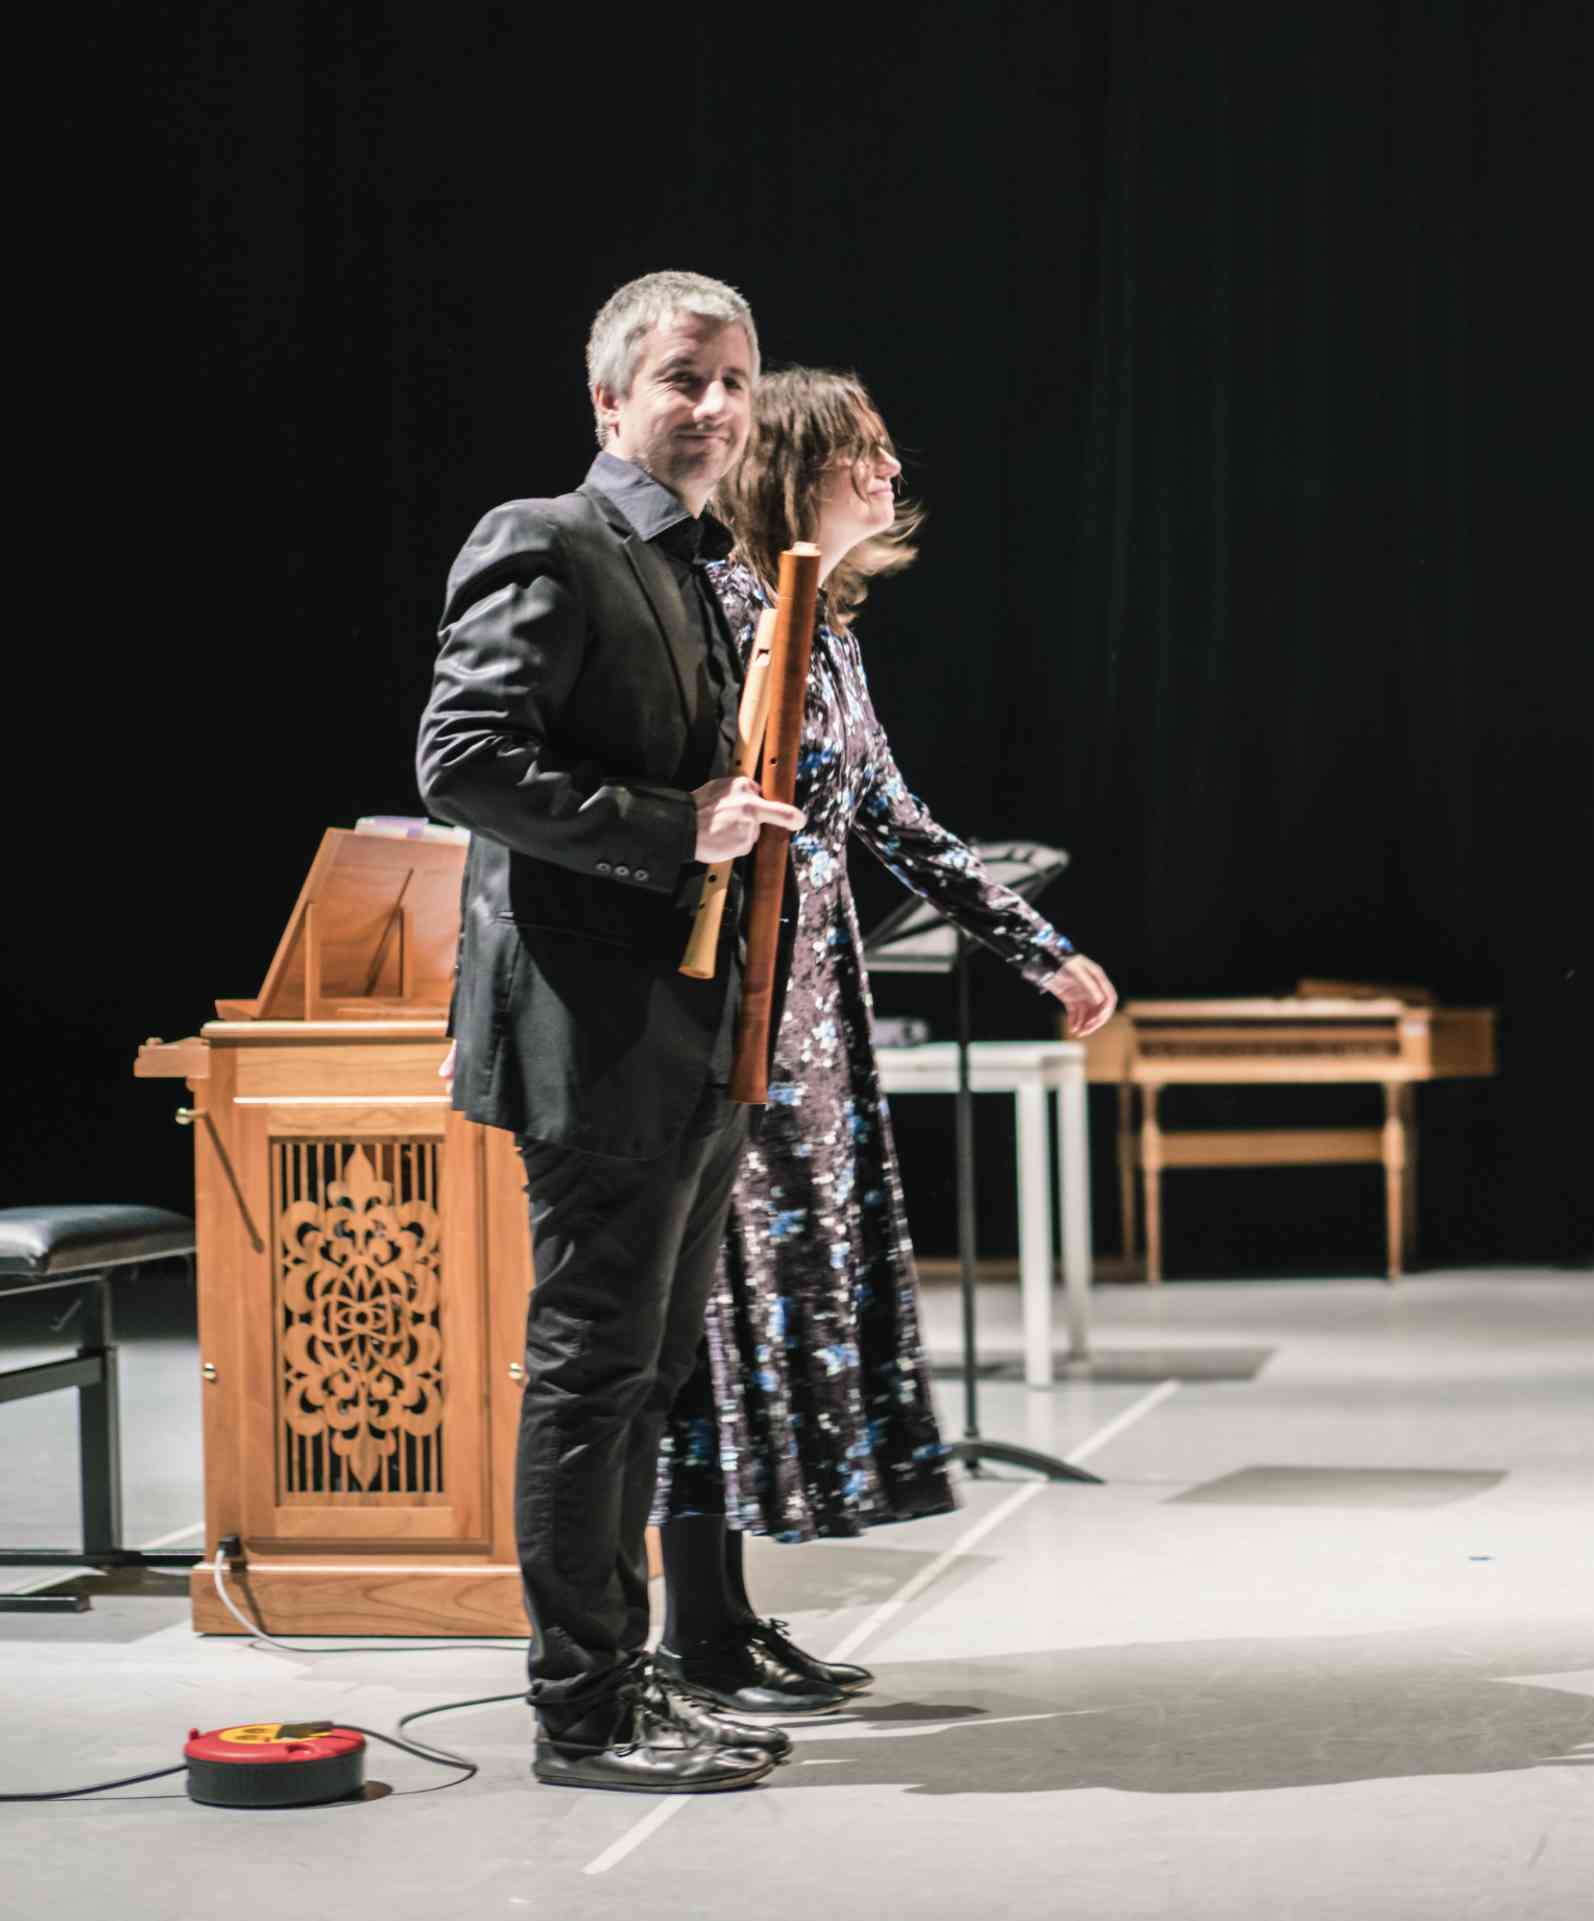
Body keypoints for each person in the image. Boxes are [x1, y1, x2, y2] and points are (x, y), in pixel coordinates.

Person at [650, 368, 1118, 1712]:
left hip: (809, 1020)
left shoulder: (827, 633)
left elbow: (898, 823)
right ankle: (693, 1636)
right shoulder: (721, 612)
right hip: (722, 1011)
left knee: (770, 1319)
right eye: (867, 449)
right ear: (795, 465)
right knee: (710, 1327)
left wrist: (1041, 949)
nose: (893, 469)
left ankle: (727, 1618)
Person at [418, 271, 803, 1792]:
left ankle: (629, 1681)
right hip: (593, 1032)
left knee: (645, 1378)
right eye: (686, 380)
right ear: (610, 401)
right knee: (590, 1376)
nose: (716, 408)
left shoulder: (699, 569)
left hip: (688, 1030)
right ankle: (581, 1715)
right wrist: (679, 823)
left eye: (736, 381)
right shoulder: (549, 538)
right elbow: (462, 759)